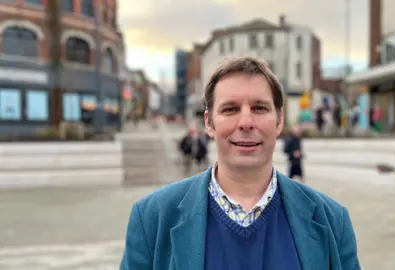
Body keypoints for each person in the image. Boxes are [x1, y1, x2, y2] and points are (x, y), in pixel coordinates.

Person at [121, 57, 361, 270]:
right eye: (230, 109)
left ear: (279, 120)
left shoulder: (332, 221)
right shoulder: (152, 219)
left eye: (259, 108)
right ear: (209, 123)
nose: (246, 122)